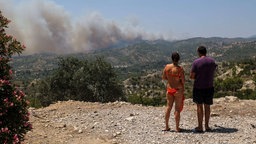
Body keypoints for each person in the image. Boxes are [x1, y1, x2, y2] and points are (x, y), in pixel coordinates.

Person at [190, 45, 217, 133]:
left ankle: (200, 127)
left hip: (199, 87)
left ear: (199, 52)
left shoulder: (196, 62)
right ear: (206, 52)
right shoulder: (212, 61)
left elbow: (192, 76)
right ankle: (207, 126)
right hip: (209, 86)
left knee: (199, 106)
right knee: (207, 106)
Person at [162, 52, 185, 132]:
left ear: (171, 58)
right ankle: (177, 128)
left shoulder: (167, 67)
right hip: (178, 90)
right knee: (177, 109)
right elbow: (183, 81)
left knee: (168, 107)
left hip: (169, 89)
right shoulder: (180, 69)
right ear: (178, 59)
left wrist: (171, 79)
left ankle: (167, 126)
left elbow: (164, 78)